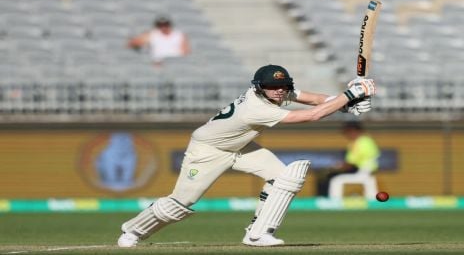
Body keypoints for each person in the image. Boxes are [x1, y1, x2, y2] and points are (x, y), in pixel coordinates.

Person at [117, 64, 376, 248]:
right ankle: (133, 231)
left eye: (283, 87)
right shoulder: (255, 108)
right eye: (272, 87)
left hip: (240, 147)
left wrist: (347, 103)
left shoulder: (276, 93)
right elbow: (311, 115)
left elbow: (314, 100)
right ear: (259, 88)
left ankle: (257, 234)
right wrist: (349, 96)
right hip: (208, 150)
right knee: (182, 202)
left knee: (285, 178)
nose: (278, 91)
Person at [316, 121, 380, 197]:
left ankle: (327, 199)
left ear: (354, 131)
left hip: (361, 170)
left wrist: (336, 167)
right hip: (365, 170)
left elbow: (350, 163)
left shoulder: (359, 142)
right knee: (329, 174)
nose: (346, 135)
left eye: (347, 132)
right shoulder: (366, 141)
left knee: (328, 176)